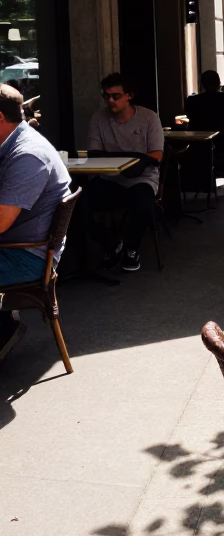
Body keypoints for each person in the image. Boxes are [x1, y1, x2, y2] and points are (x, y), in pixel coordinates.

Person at [0, 84, 72, 360]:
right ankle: (5, 325)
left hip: (27, 256)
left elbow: (1, 222)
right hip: (18, 245)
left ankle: (5, 327)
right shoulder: (15, 143)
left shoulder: (27, 154)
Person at [86, 73, 164, 272]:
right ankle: (110, 244)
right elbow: (94, 153)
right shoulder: (98, 118)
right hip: (109, 179)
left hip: (142, 178)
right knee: (75, 205)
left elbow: (156, 154)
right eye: (106, 96)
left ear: (129, 95)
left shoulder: (148, 118)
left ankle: (131, 248)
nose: (110, 101)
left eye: (116, 96)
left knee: (143, 204)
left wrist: (126, 160)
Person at [185, 70, 224, 154]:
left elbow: (189, 117)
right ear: (219, 83)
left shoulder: (192, 100)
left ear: (202, 84)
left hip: (197, 145)